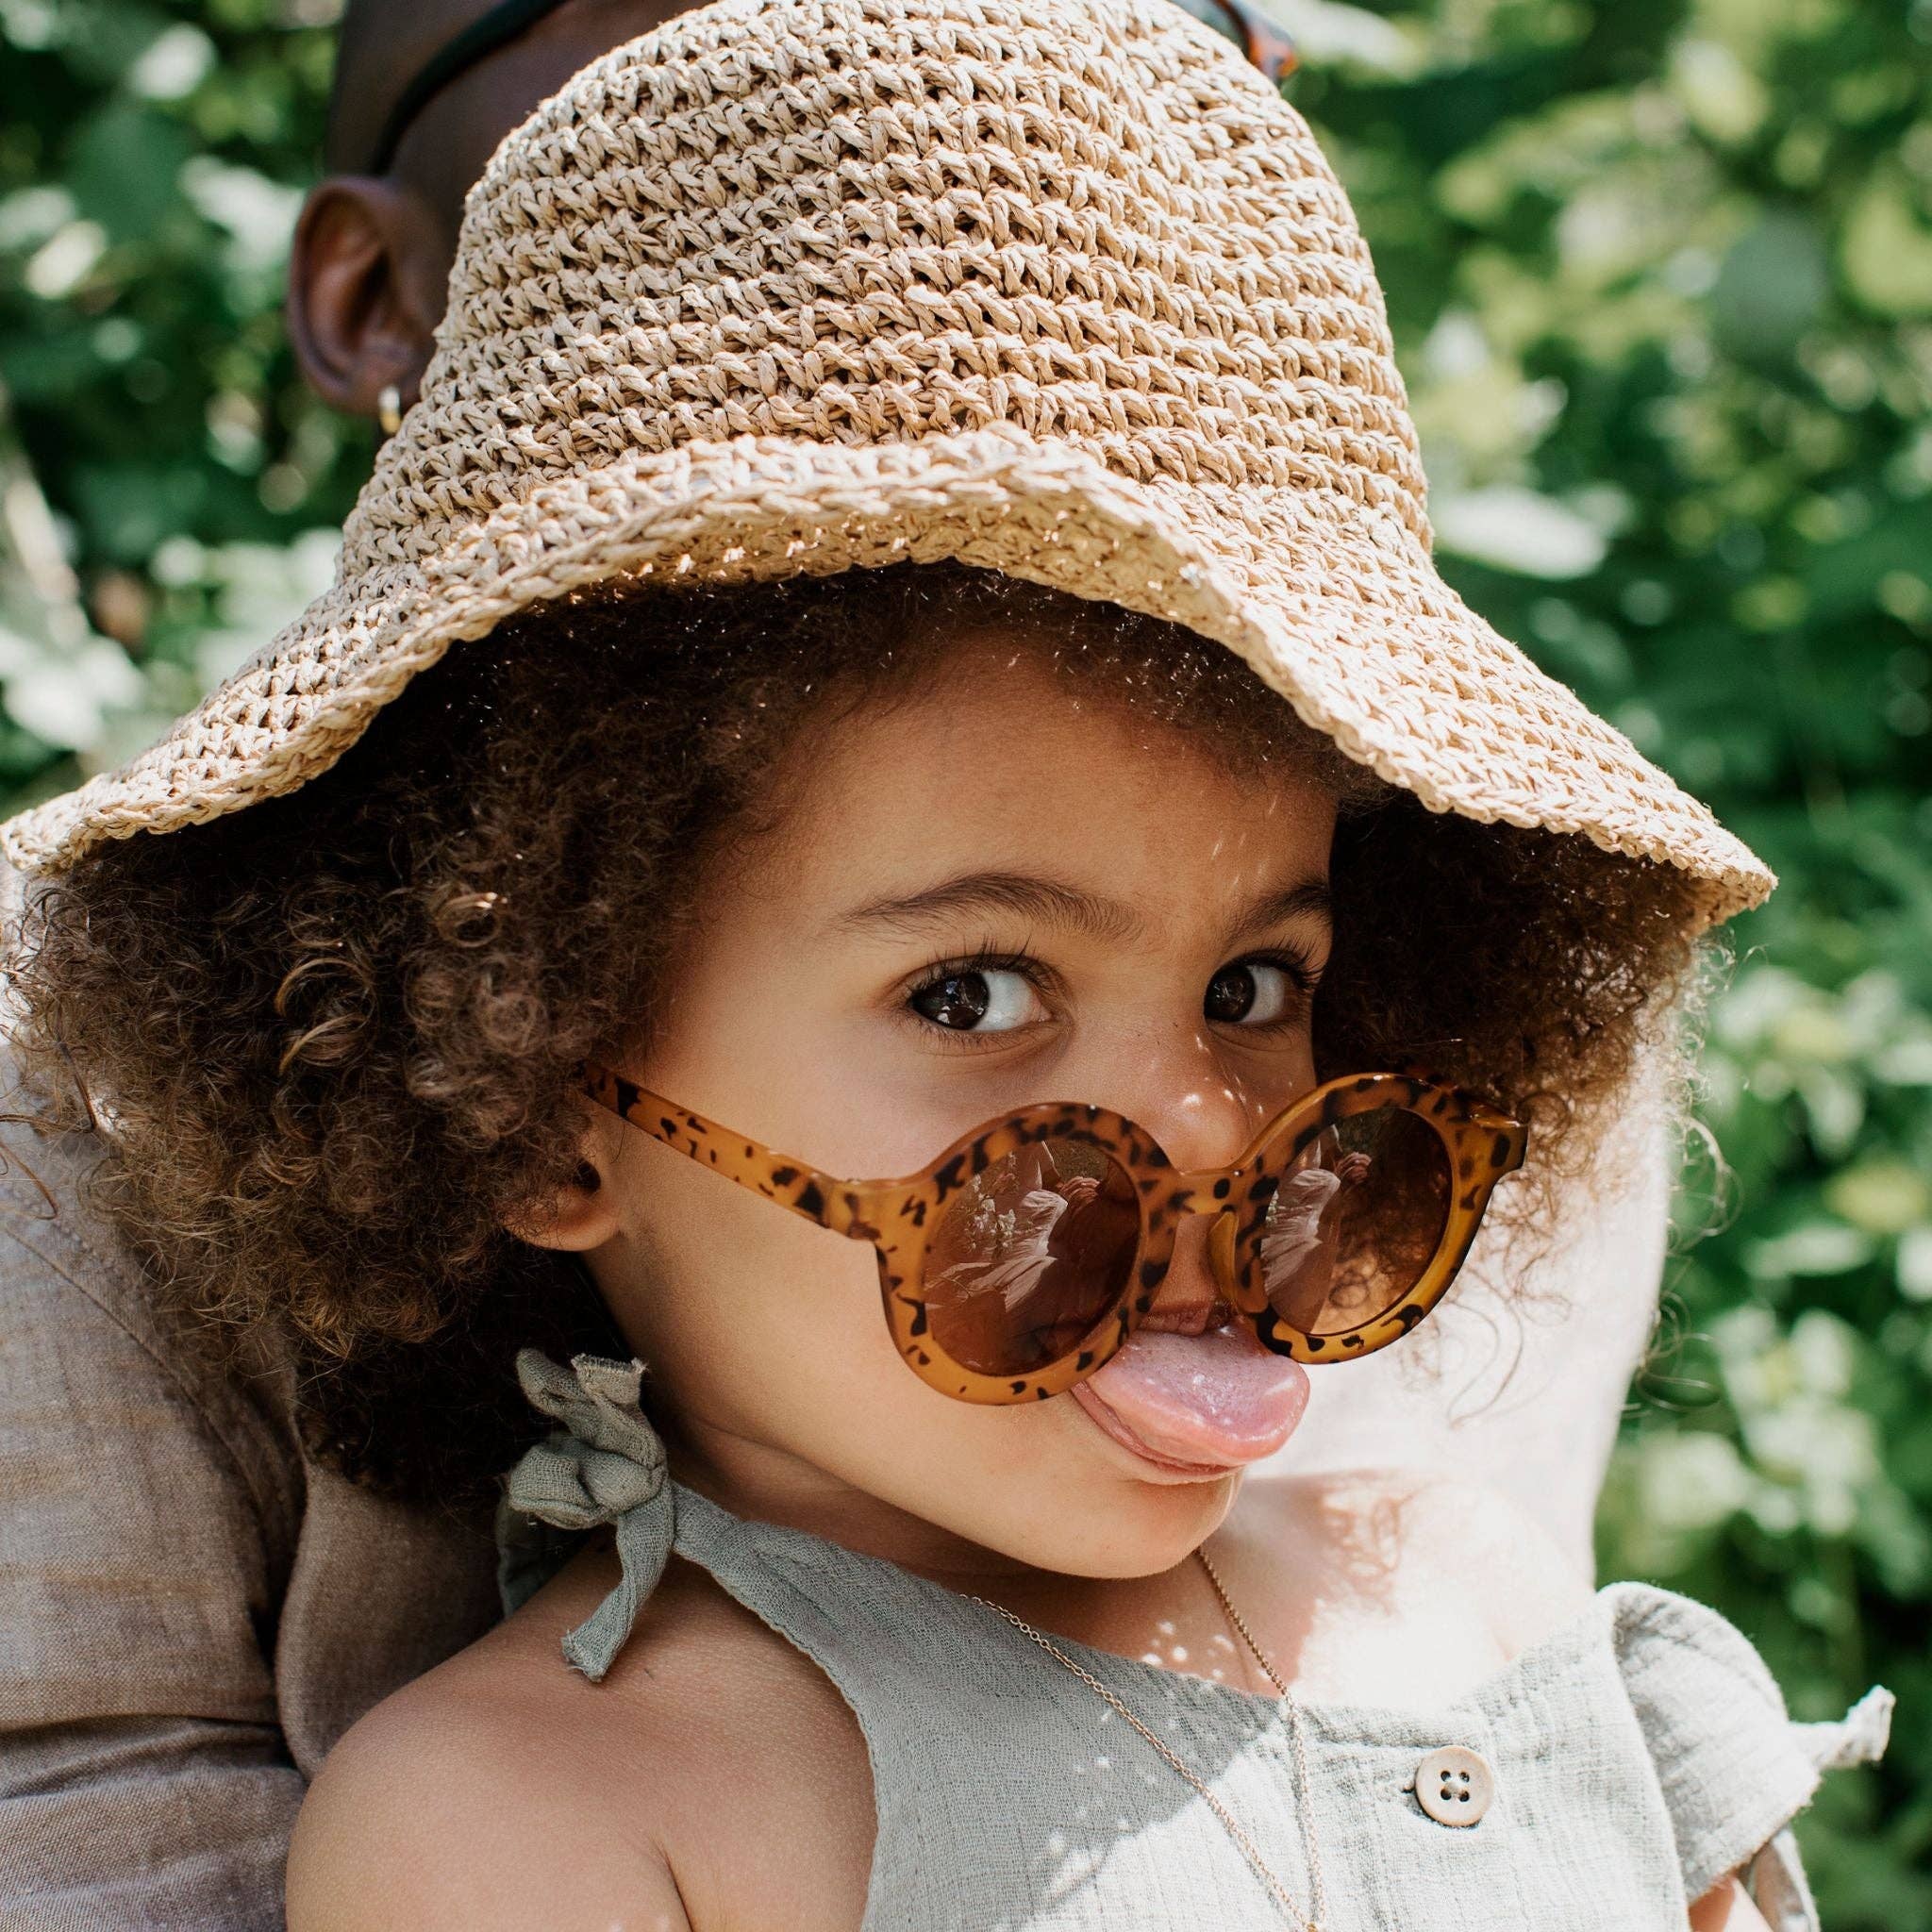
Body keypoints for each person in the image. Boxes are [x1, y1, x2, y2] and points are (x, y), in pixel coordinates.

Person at [1, 0, 1891, 1926]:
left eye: (1255, 986)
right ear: (542, 1100)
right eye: (971, 992)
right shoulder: (537, 1818)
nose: (1204, 1118)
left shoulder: (1471, 1587)